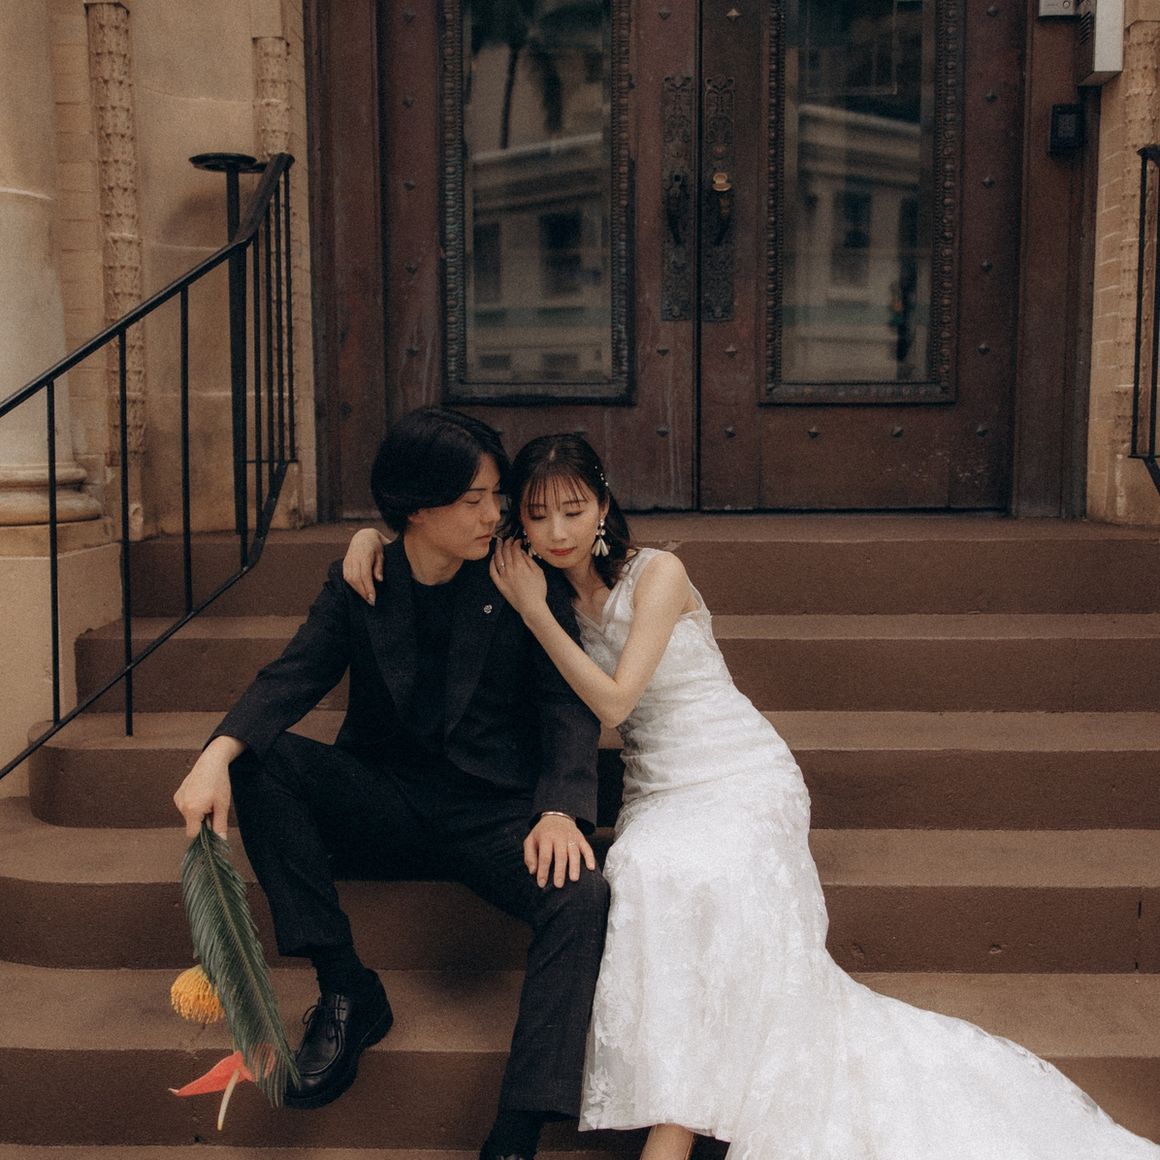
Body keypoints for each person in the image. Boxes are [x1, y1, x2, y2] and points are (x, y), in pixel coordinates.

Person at [344, 433, 1160, 1160]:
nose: (558, 530)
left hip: (737, 770)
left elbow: (617, 704)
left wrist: (534, 613)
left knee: (715, 875)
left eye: (574, 509)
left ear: (603, 506)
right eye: (537, 514)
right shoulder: (531, 580)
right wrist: (369, 539)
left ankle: (673, 1133)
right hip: (658, 786)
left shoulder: (658, 573)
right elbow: (428, 544)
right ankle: (681, 1108)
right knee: (642, 874)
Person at [174, 408, 609, 1160]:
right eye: (473, 500)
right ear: (417, 508)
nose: (495, 514)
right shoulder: (363, 577)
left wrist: (562, 810)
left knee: (583, 895)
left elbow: (565, 705)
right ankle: (346, 986)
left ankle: (518, 1130)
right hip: (385, 800)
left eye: (496, 496)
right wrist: (213, 756)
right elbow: (294, 675)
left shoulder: (516, 573)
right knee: (256, 758)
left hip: (492, 814)